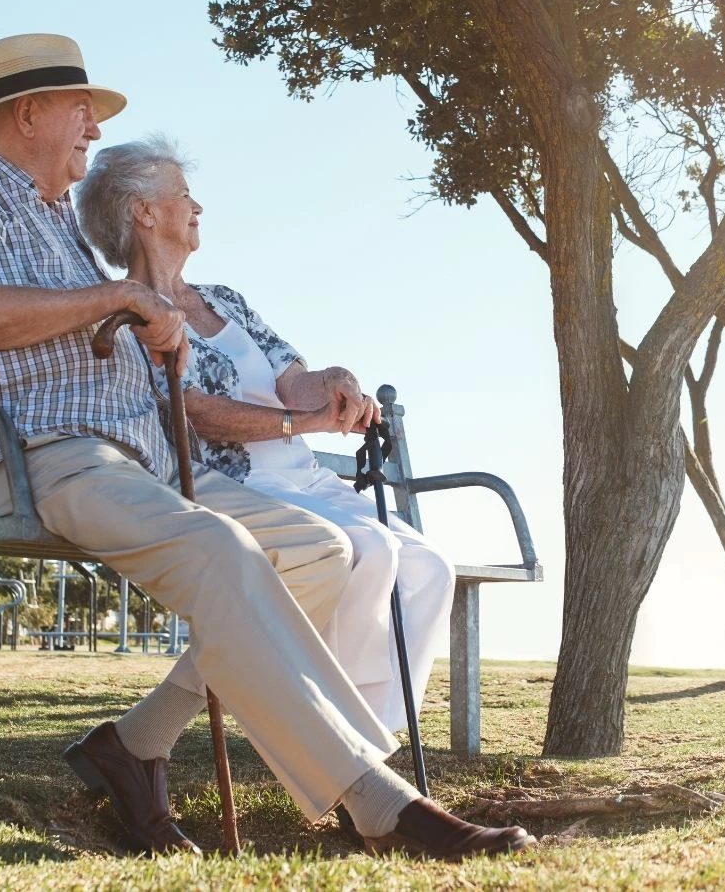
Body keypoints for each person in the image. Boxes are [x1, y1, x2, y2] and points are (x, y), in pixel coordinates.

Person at [0, 33, 531, 861]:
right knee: (224, 548)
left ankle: (133, 745)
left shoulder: (61, 225)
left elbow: (111, 328)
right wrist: (121, 297)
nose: (94, 127)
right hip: (42, 452)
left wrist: (155, 345)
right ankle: (379, 800)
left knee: (317, 553)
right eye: (82, 109)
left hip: (144, 462)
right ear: (27, 113)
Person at [74, 137, 455, 737]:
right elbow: (191, 411)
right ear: (143, 211)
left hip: (302, 475)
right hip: (237, 484)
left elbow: (292, 379)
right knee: (372, 554)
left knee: (430, 565)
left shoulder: (226, 301)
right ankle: (336, 730)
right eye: (184, 195)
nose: (197, 208)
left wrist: (335, 385)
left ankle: (375, 733)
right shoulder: (131, 314)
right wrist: (299, 424)